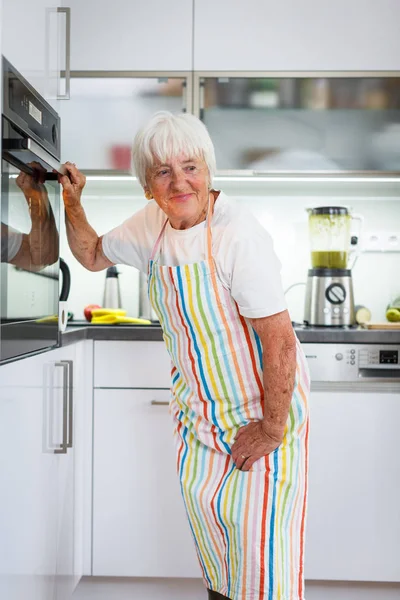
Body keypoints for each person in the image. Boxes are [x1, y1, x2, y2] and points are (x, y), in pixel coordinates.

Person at [60, 112, 310, 600]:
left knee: (262, 570)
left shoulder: (239, 235)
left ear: (210, 170)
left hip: (261, 420)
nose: (180, 182)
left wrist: (271, 428)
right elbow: (91, 255)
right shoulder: (152, 223)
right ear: (147, 185)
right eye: (163, 171)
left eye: (190, 166)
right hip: (200, 425)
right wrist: (72, 202)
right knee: (219, 562)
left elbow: (279, 342)